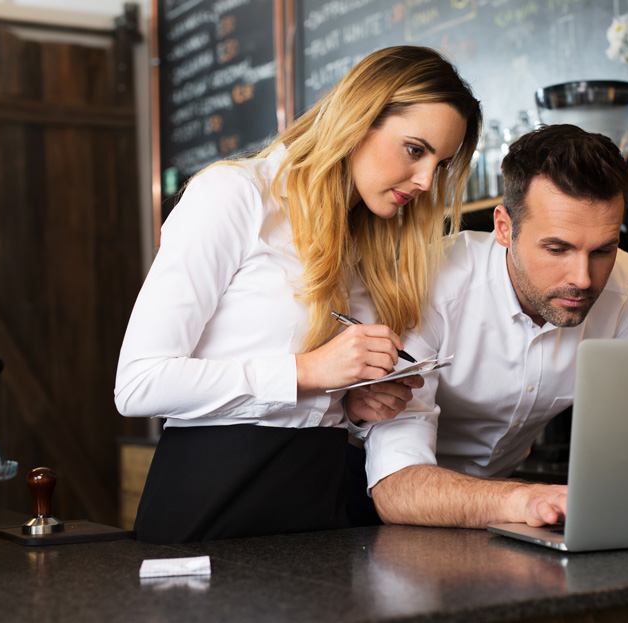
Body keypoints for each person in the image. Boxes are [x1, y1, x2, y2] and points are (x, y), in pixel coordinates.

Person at [114, 46, 482, 543]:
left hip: (320, 506)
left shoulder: (372, 241)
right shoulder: (235, 195)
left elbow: (308, 404)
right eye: (415, 150)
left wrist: (352, 408)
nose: (424, 181)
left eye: (440, 165)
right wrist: (310, 371)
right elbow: (139, 384)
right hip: (210, 502)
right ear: (358, 118)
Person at [347, 124, 628, 528]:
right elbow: (396, 488)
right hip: (365, 512)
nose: (583, 279)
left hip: (502, 512)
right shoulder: (429, 285)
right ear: (504, 228)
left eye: (603, 250)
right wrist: (524, 499)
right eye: (557, 249)